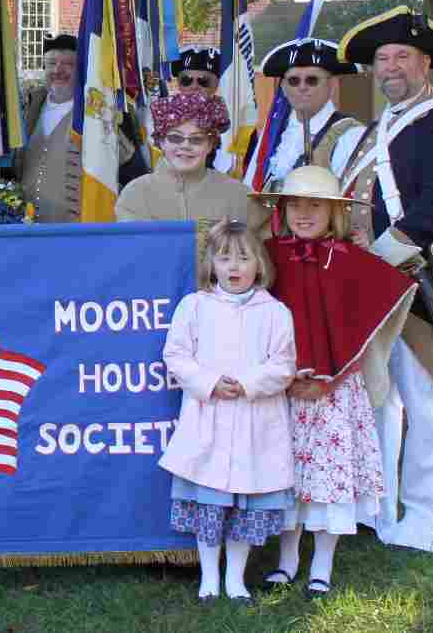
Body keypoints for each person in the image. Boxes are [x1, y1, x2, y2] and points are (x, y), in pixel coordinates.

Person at [337, 6, 433, 553]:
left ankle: (425, 518)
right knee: (379, 397)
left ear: (426, 65)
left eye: (402, 57)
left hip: (421, 286)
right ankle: (378, 508)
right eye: (382, 59)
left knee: (423, 399)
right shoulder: (382, 127)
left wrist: (374, 260)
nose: (391, 67)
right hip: (374, 284)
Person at [253, 165, 416, 598]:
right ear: (282, 210)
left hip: (335, 392)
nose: (304, 213)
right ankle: (287, 562)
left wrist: (333, 376)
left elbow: (380, 301)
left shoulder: (347, 259)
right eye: (295, 204)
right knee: (286, 477)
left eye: (315, 205)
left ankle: (321, 565)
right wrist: (280, 373)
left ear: (332, 212)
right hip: (283, 389)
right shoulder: (266, 256)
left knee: (330, 480)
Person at [159, 221, 295, 603]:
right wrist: (210, 382)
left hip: (256, 422)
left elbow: (283, 365)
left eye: (243, 258)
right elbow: (176, 354)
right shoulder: (196, 306)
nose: (234, 267)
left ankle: (235, 578)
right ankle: (209, 578)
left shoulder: (275, 312)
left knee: (245, 506)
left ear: (258, 265)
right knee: (211, 504)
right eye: (225, 258)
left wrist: (249, 383)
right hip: (210, 417)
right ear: (212, 264)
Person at [244, 38, 366, 191]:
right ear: (283, 87)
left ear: (332, 85)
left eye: (312, 80)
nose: (302, 87)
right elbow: (251, 191)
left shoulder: (351, 136)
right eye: (294, 81)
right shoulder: (273, 133)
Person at [116, 94, 255, 227]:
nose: (185, 145)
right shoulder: (135, 194)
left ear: (211, 144)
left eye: (196, 139)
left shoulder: (238, 195)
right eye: (175, 138)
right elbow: (133, 248)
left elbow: (251, 248)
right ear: (161, 142)